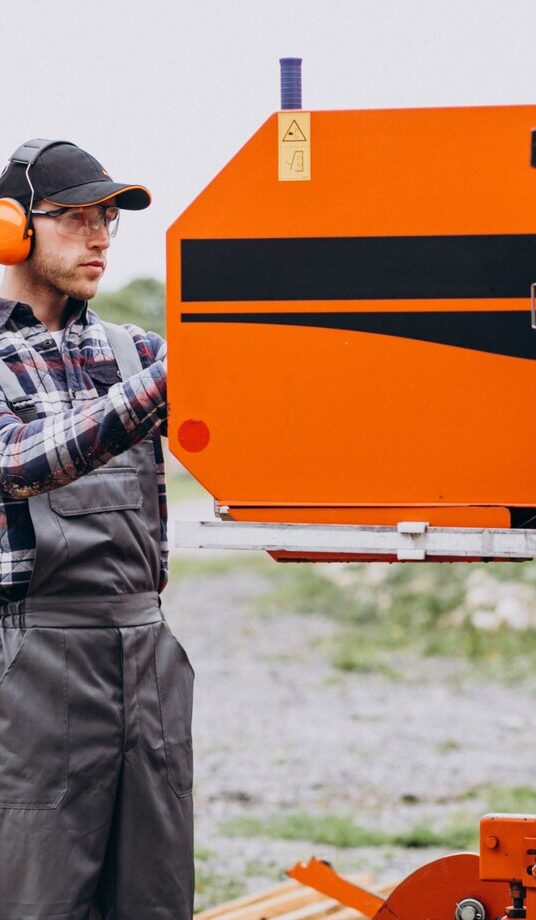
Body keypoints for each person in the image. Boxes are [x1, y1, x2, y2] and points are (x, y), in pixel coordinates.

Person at [0, 140, 192, 919]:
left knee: (154, 896)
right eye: (75, 218)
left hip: (146, 657)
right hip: (34, 669)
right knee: (39, 899)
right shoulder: (151, 371)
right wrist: (175, 379)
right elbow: (20, 461)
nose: (100, 237)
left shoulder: (134, 352)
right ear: (12, 229)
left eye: (108, 218)